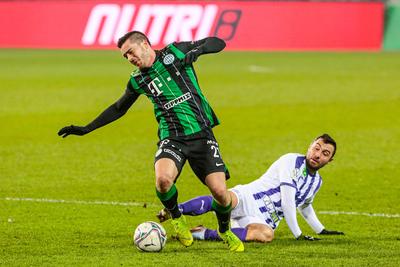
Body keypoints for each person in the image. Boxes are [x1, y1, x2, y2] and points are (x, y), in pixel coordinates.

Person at [58, 31, 244, 252]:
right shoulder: (138, 79)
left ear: (145, 44)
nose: (129, 58)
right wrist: (86, 128)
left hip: (202, 135)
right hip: (172, 136)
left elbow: (218, 42)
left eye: (130, 52)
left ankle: (224, 230)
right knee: (163, 180)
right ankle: (177, 218)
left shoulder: (174, 52)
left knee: (221, 194)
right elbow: (119, 108)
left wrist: (197, 51)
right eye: (125, 56)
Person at [157, 134, 345, 242]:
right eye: (316, 148)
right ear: (310, 146)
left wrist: (321, 230)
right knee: (225, 199)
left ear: (330, 160)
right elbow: (288, 201)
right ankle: (175, 210)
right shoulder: (291, 161)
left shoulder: (317, 182)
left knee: (266, 235)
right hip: (250, 197)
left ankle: (201, 233)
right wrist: (298, 234)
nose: (318, 154)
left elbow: (304, 206)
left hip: (261, 219)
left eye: (325, 153)